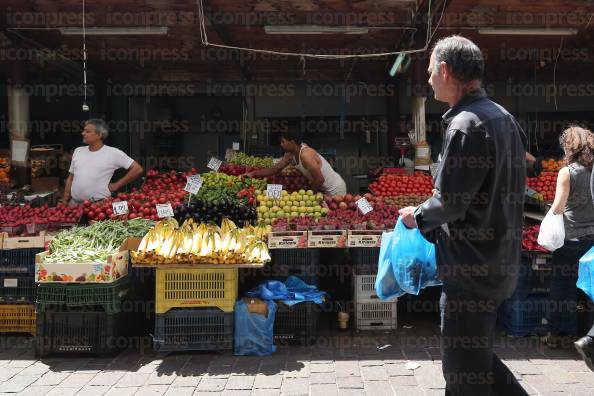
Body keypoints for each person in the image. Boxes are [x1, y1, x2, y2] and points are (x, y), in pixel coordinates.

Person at [398, 36, 528, 396]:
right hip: (498, 263)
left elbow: (450, 203)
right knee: (477, 360)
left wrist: (416, 216)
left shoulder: (465, 125)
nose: (428, 80)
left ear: (445, 70)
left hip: (470, 271)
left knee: (462, 375)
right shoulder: (503, 117)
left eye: (429, 73)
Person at [545, 126, 594, 345]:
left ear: (569, 147)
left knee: (562, 287)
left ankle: (559, 335)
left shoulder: (567, 172)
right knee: (589, 288)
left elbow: (557, 207)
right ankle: (587, 335)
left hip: (571, 240)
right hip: (592, 241)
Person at [64, 119, 143, 204]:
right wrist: (65, 198)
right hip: (74, 204)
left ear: (99, 135)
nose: (83, 133)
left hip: (99, 205)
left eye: (87, 131)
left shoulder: (113, 153)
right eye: (84, 130)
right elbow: (70, 178)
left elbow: (137, 169)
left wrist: (116, 185)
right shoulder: (78, 151)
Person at [245, 131, 347, 196]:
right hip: (323, 189)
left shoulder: (306, 155)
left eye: (283, 142)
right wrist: (253, 174)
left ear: (292, 142)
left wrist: (308, 196)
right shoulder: (291, 154)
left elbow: (320, 179)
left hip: (335, 189)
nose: (281, 144)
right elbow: (275, 169)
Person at [574, 150, 594, 372]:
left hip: (572, 234)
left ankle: (588, 335)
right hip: (589, 233)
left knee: (568, 287)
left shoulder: (567, 172)